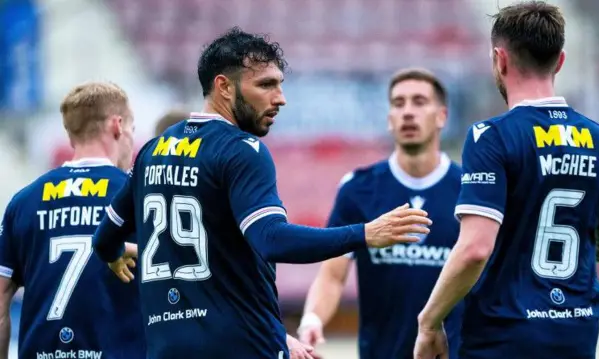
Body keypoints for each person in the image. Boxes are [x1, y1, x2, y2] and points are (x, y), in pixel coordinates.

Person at [92, 27, 432, 359]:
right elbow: (272, 239)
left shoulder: (151, 151)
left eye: (280, 85)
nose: (280, 98)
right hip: (241, 347)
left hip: (166, 348)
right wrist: (365, 233)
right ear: (223, 87)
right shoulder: (240, 150)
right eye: (266, 85)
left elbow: (104, 239)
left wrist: (115, 254)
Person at [413, 2, 599, 359]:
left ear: (500, 59)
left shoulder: (491, 137)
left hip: (506, 336)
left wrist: (429, 322)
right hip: (577, 333)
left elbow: (475, 249)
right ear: (560, 60)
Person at [297, 68, 463, 359]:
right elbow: (333, 275)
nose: (408, 112)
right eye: (398, 104)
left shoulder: (469, 190)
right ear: (389, 119)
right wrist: (313, 318)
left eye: (419, 102)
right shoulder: (358, 188)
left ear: (442, 116)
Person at [0, 82, 145, 359]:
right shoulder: (136, 195)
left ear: (71, 135)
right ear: (117, 126)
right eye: (132, 129)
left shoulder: (23, 202)